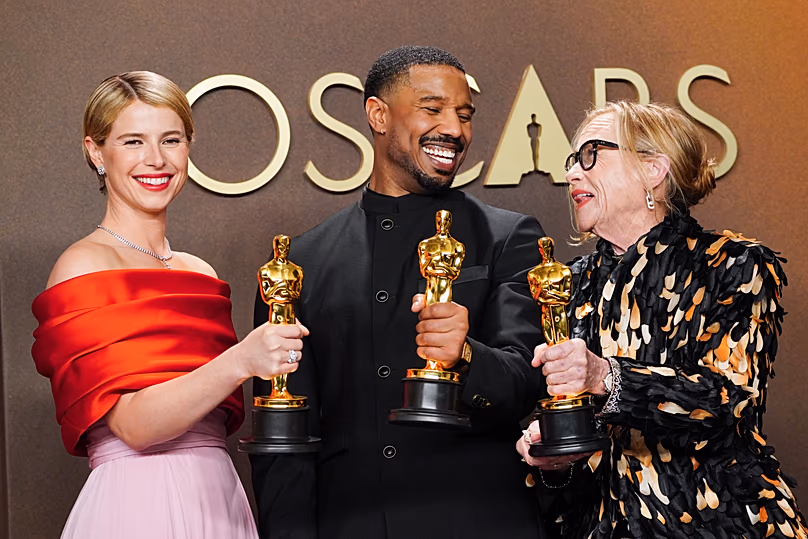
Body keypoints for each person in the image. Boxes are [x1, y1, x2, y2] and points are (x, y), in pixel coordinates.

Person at [251, 45, 547, 538]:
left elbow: (530, 383)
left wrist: (467, 357)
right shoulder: (298, 263)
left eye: (464, 114)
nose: (454, 129)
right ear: (378, 115)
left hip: (480, 520)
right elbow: (287, 437)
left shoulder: (508, 237)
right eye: (432, 109)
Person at [31, 71, 307, 539]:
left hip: (220, 496)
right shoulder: (85, 264)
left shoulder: (198, 272)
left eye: (171, 139)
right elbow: (135, 426)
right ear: (96, 152)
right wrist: (241, 360)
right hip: (139, 504)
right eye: (133, 141)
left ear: (188, 148)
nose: (155, 159)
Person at [516, 101, 808, 538]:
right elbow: (575, 443)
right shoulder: (566, 284)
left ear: (653, 169)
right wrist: (553, 461)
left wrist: (605, 376)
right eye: (572, 160)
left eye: (591, 154)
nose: (573, 173)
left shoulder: (732, 266)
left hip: (717, 525)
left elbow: (727, 403)